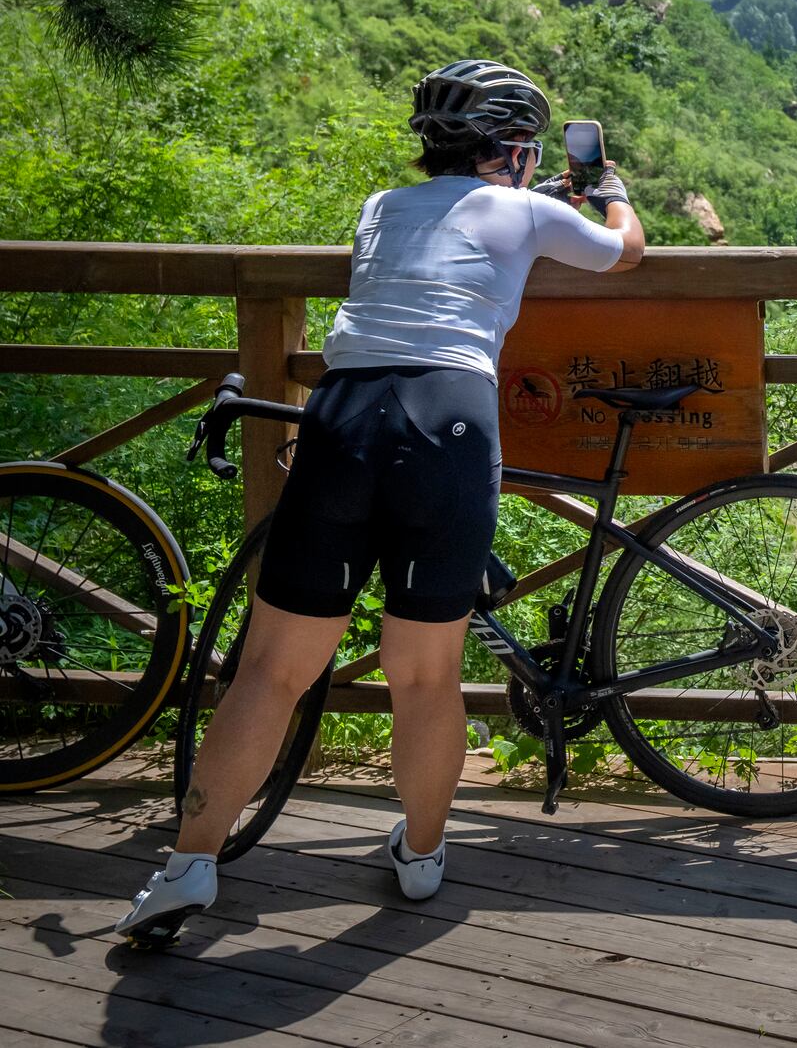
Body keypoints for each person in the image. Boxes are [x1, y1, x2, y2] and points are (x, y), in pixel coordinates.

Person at [117, 60, 644, 946]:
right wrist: (608, 189)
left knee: (272, 669)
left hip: (344, 413)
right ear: (516, 149)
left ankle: (188, 863)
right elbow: (627, 250)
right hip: (449, 422)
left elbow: (440, 231)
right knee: (426, 673)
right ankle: (421, 852)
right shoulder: (528, 209)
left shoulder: (376, 208)